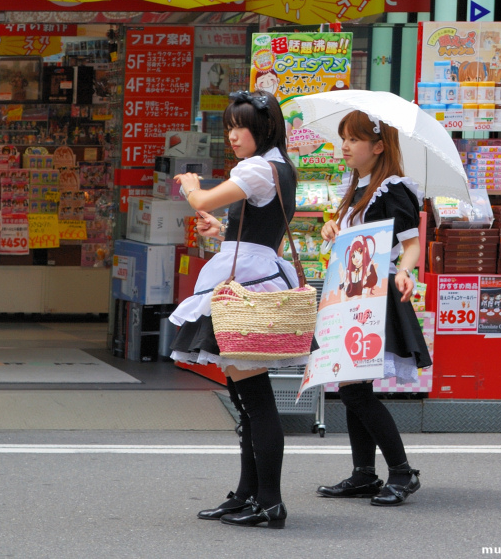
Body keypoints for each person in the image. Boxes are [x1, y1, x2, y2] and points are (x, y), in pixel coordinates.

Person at [170, 90, 302, 529]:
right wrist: (222, 229)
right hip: (252, 272)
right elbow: (255, 231)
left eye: (240, 126)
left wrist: (192, 188)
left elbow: (202, 200)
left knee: (255, 401)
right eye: (229, 126)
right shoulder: (277, 167)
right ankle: (249, 494)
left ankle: (269, 501)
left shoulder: (260, 167)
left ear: (262, 129)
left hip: (246, 282)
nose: (232, 135)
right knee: (246, 400)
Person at [316, 110, 432, 507]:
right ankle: (364, 473)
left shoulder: (392, 188)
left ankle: (401, 472)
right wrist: (332, 228)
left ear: (378, 146)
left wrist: (404, 271)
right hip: (351, 293)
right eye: (343, 138)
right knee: (352, 385)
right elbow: (352, 241)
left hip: (376, 294)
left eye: (354, 139)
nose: (344, 146)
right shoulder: (356, 187)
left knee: (353, 390)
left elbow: (412, 243)